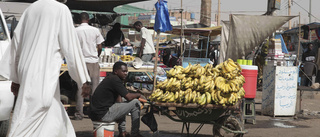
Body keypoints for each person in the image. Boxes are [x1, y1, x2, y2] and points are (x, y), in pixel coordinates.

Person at [0, 0, 91, 136]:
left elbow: (17, 43)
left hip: (28, 71)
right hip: (42, 72)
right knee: (31, 118)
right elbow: (71, 46)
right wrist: (83, 79)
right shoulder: (61, 9)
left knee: (54, 117)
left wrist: (16, 77)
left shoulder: (31, 8)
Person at [89, 62, 143, 137]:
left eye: (126, 71)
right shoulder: (115, 80)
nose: (126, 73)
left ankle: (122, 132)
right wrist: (139, 94)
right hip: (103, 114)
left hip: (97, 114)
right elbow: (128, 96)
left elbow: (119, 100)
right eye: (123, 71)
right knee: (135, 102)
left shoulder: (110, 78)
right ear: (116, 71)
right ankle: (135, 133)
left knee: (123, 103)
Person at [74, 12, 104, 120]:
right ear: (88, 19)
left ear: (79, 19)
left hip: (81, 62)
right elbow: (99, 46)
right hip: (93, 61)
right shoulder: (95, 30)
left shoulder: (75, 31)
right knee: (94, 88)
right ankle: (94, 112)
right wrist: (97, 55)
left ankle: (79, 114)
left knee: (80, 87)